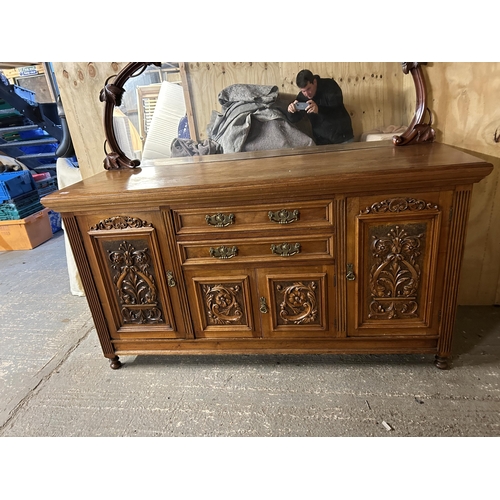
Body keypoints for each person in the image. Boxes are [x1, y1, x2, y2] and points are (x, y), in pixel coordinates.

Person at [287, 69, 354, 145]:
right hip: (322, 142)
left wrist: (318, 109)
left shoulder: (330, 85)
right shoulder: (302, 97)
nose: (307, 94)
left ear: (314, 82)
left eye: (309, 89)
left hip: (343, 137)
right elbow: (294, 119)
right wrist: (291, 111)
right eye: (303, 91)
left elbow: (337, 108)